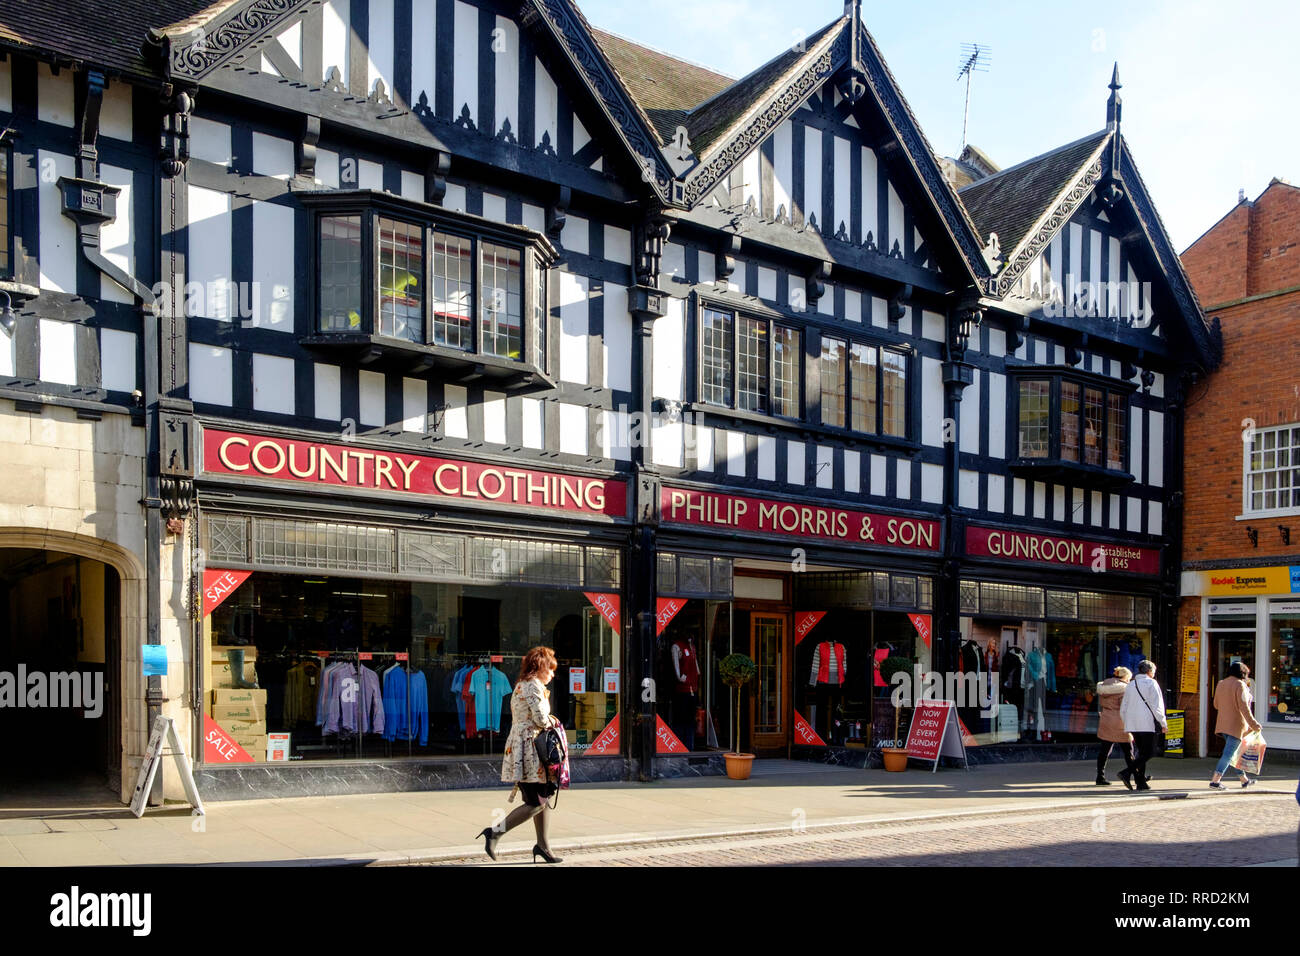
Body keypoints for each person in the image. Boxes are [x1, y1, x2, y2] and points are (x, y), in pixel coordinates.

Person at [478, 646, 563, 863]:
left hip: (528, 748)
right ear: (540, 667)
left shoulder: (525, 684)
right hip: (530, 750)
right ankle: (495, 833)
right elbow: (542, 720)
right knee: (536, 802)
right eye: (550, 670)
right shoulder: (532, 686)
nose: (553, 674)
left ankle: (543, 846)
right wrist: (554, 720)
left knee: (543, 796)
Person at [1209, 662, 1263, 790]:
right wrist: (1254, 724)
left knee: (1235, 754)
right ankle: (1215, 781)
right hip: (1236, 726)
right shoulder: (1240, 685)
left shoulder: (1221, 683)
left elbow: (1216, 704)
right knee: (1228, 754)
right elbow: (1244, 708)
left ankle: (1244, 780)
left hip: (1223, 724)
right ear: (1243, 673)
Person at [1119, 659, 1166, 791]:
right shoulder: (1152, 683)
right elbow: (1158, 706)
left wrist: (1126, 722)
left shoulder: (1131, 684)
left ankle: (1140, 782)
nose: (1154, 674)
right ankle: (1126, 772)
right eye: (1154, 671)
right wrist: (1163, 722)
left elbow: (1124, 707)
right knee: (1149, 752)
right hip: (1147, 723)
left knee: (1141, 753)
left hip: (1132, 723)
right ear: (1150, 671)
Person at [1095, 666, 1135, 787]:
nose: (1129, 681)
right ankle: (1137, 776)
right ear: (1125, 677)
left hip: (1106, 719)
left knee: (1105, 750)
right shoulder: (1124, 689)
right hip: (1119, 721)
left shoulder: (1104, 685)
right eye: (1129, 678)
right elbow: (1125, 707)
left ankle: (1100, 777)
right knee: (1129, 750)